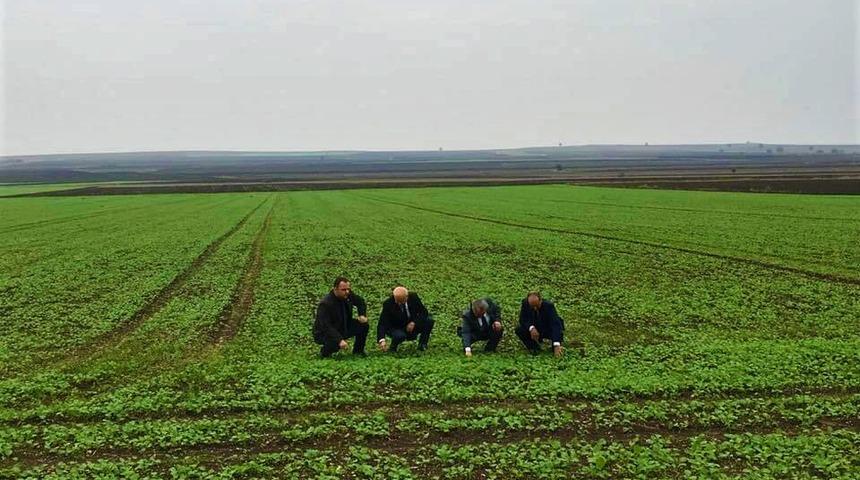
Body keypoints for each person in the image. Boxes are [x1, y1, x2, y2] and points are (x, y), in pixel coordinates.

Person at [313, 276, 369, 358]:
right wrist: (339, 340)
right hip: (325, 333)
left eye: (348, 289)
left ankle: (358, 351)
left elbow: (360, 302)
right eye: (343, 290)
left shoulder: (347, 295)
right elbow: (326, 326)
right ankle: (325, 353)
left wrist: (362, 315)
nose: (347, 292)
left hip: (344, 325)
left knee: (363, 325)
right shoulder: (326, 304)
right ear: (335, 289)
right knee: (335, 344)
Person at [377, 286, 434, 352]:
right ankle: (393, 347)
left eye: (401, 301)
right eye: (397, 300)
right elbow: (382, 322)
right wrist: (382, 339)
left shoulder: (413, 297)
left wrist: (414, 322)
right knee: (399, 335)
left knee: (429, 321)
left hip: (412, 324)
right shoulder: (388, 303)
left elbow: (424, 312)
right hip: (397, 327)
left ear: (407, 297)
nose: (398, 303)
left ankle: (422, 345)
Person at [515, 292, 565, 357]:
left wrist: (556, 344)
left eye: (537, 305)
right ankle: (534, 348)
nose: (535, 308)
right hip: (536, 327)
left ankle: (555, 346)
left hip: (547, 328)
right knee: (519, 329)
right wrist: (531, 328)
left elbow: (555, 325)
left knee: (558, 333)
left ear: (540, 300)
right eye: (532, 306)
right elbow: (523, 319)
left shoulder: (549, 306)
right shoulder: (525, 303)